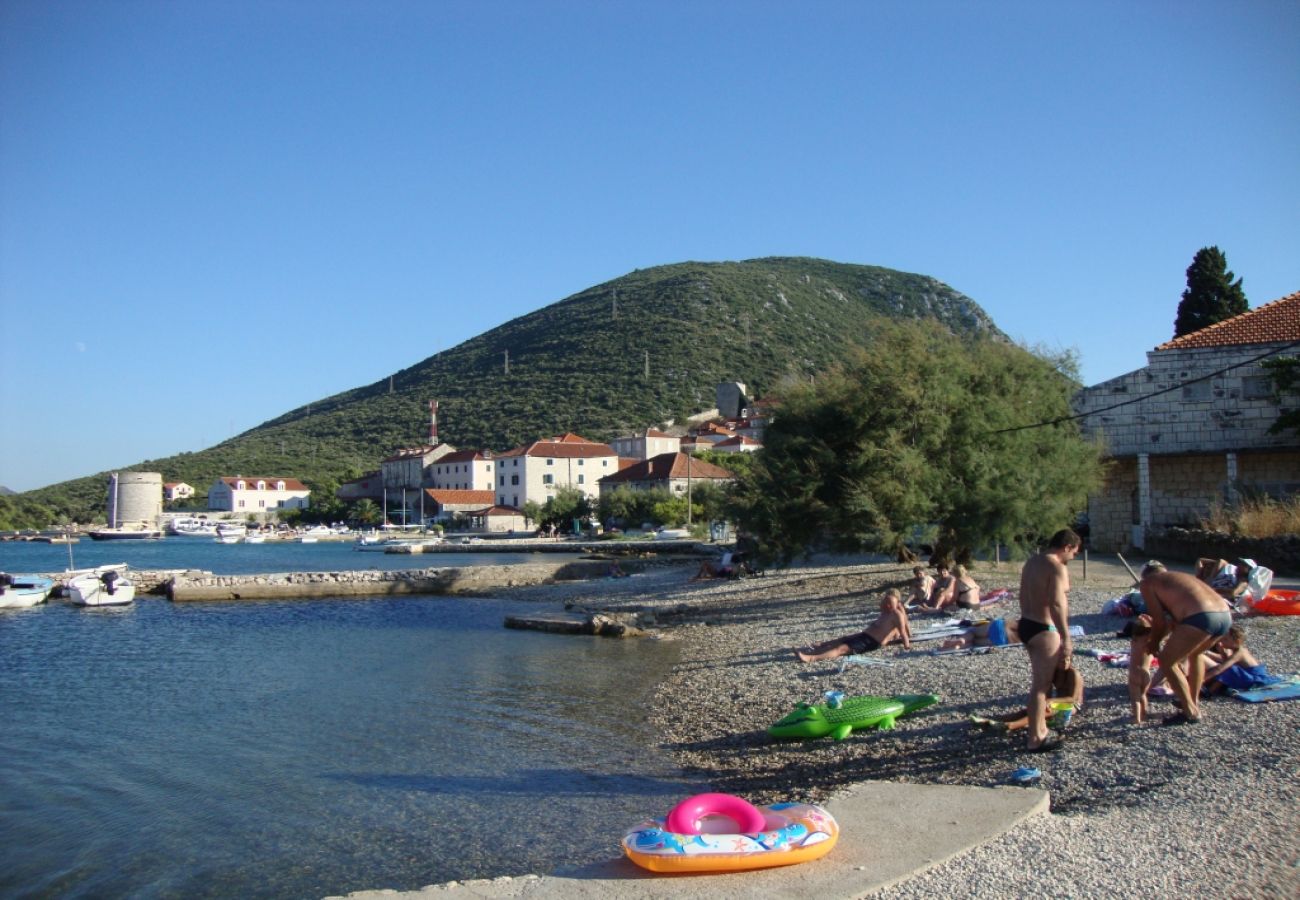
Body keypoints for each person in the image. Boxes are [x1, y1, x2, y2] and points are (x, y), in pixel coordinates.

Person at [1138, 560, 1234, 725]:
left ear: (1144, 576)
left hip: (1201, 617)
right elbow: (1175, 618)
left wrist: (1154, 643)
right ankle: (1192, 702)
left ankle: (1190, 712)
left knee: (1168, 661)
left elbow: (1159, 621)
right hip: (1225, 616)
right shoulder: (1180, 577)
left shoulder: (1148, 583)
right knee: (1196, 654)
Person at [1016, 528, 1082, 752]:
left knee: (1041, 683)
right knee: (1041, 686)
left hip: (1026, 623)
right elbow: (1056, 603)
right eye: (1074, 553)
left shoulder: (1032, 562)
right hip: (1044, 628)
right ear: (1067, 547)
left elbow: (1023, 594)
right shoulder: (1056, 566)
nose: (1073, 558)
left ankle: (1041, 727)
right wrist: (1066, 637)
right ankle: (1035, 738)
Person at [796, 589, 912, 661]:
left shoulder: (897, 614)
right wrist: (884, 603)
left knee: (842, 649)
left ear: (897, 604)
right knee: (842, 640)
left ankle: (811, 658)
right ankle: (813, 651)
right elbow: (882, 607)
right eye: (885, 602)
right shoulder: (886, 611)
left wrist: (907, 646)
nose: (886, 605)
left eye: (889, 604)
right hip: (865, 636)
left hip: (871, 642)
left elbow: (903, 632)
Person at [972, 663, 1083, 731]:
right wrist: (1043, 703)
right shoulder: (1054, 672)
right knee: (1029, 711)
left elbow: (1073, 699)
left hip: (1072, 706)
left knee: (1043, 712)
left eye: (1067, 660)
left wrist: (1049, 701)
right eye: (1061, 659)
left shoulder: (1073, 674)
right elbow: (1045, 692)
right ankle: (991, 720)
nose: (1064, 662)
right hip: (1056, 703)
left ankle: (1011, 725)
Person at [1202, 623, 1282, 694]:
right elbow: (1226, 662)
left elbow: (1221, 668)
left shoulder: (1239, 653)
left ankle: (1209, 691)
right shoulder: (1236, 650)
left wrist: (1203, 679)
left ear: (1237, 641)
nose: (1222, 641)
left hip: (1253, 679)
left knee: (1226, 669)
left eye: (1225, 639)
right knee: (1228, 668)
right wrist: (1222, 652)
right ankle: (1211, 687)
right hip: (1248, 676)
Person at [1125, 614, 1156, 724]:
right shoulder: (1150, 644)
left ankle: (1136, 718)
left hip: (1135, 671)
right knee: (1143, 695)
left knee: (1135, 698)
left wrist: (1140, 621)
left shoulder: (1134, 642)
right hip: (1146, 673)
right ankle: (1145, 713)